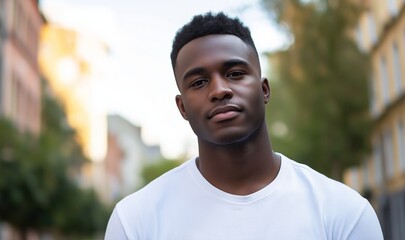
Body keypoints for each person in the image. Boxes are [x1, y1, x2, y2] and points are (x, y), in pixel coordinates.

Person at [105, 12, 383, 240]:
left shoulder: (343, 212)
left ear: (264, 90)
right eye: (199, 82)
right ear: (182, 108)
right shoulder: (135, 221)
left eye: (235, 74)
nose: (219, 90)